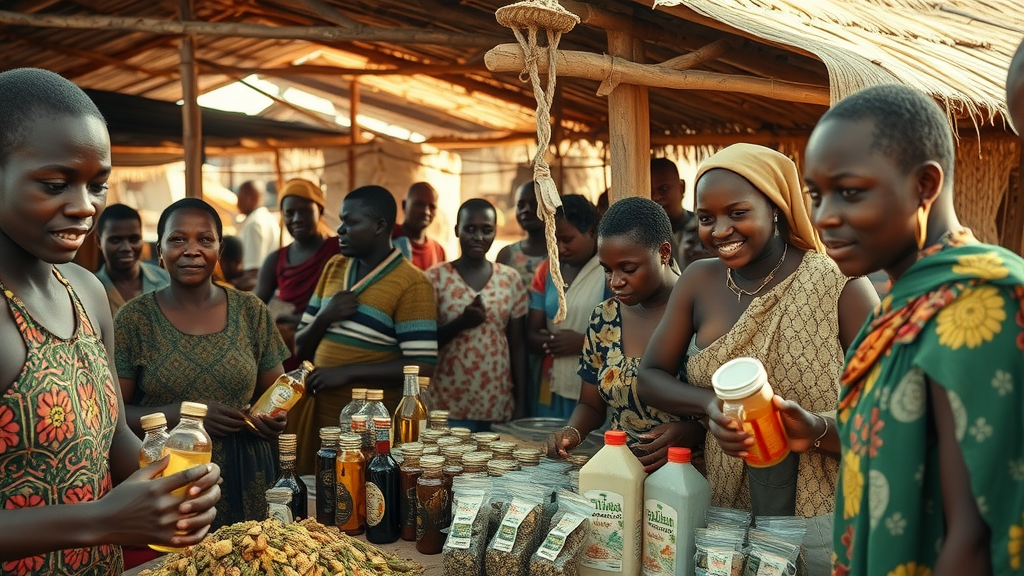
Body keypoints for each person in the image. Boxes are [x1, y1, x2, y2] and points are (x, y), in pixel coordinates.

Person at [779, 83, 1024, 575]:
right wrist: (816, 429)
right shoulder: (898, 305)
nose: (825, 217)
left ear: (925, 186)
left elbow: (973, 533)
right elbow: (900, 437)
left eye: (850, 192)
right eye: (816, 196)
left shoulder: (981, 303)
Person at [0, 67, 219, 574]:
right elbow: (100, 516)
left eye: (97, 185)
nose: (83, 207)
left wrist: (169, 478)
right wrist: (99, 519)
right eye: (55, 184)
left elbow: (112, 433)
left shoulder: (85, 290)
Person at [637, 143, 878, 574]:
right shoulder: (699, 280)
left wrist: (817, 429)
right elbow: (650, 376)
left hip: (821, 517)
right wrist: (709, 407)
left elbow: (891, 417)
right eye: (707, 218)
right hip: (725, 516)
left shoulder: (841, 284)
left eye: (738, 212)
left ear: (777, 208)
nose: (720, 230)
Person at [115, 198, 289, 530]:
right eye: (178, 239)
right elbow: (115, 415)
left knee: (255, 557)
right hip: (175, 476)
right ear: (160, 250)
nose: (192, 249)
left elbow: (279, 395)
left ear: (219, 249)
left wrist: (274, 420)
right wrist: (186, 414)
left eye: (204, 240)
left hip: (249, 471)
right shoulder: (133, 320)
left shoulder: (251, 312)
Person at [546, 197, 704, 472]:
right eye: (607, 270)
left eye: (628, 269)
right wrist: (572, 432)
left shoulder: (701, 313)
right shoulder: (603, 319)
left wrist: (693, 431)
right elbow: (591, 405)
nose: (615, 282)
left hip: (689, 474)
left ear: (664, 253)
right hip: (621, 472)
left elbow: (729, 407)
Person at [290, 185, 438, 474]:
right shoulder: (334, 267)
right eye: (341, 221)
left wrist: (347, 372)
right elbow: (300, 346)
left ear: (380, 226)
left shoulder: (411, 283)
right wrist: (324, 316)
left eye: (351, 222)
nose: (340, 230)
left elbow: (422, 366)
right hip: (320, 414)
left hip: (368, 425)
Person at [427, 199, 528, 432]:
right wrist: (461, 323)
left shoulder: (509, 279)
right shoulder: (435, 278)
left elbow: (518, 345)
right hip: (448, 405)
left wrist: (521, 403)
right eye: (470, 229)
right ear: (457, 230)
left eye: (486, 230)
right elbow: (425, 342)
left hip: (496, 402)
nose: (478, 237)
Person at [527, 194, 608, 420]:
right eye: (554, 240)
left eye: (568, 239)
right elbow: (532, 333)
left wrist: (583, 343)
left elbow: (627, 333)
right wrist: (554, 342)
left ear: (591, 231)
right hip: (550, 381)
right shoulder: (547, 270)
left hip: (592, 384)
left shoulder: (608, 271)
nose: (560, 248)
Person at [254, 178, 341, 370]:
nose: (296, 219)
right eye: (290, 213)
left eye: (304, 211)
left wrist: (301, 318)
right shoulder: (275, 259)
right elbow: (254, 307)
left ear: (320, 211)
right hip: (287, 349)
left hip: (327, 343)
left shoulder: (338, 250)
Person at [497, 181, 549, 417]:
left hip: (548, 345)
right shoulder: (508, 254)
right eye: (521, 205)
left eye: (534, 204)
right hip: (514, 343)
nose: (526, 210)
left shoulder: (561, 252)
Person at [94, 203, 169, 317]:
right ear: (99, 242)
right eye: (116, 240)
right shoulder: (89, 290)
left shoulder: (166, 281)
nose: (126, 248)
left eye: (134, 239)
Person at [235, 180, 281, 290]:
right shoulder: (267, 219)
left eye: (240, 199)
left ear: (250, 197)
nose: (237, 204)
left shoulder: (254, 224)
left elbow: (253, 272)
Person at [650, 157, 694, 269]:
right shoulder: (644, 237)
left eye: (664, 189)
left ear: (681, 188)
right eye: (650, 191)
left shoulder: (702, 231)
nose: (656, 197)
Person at [392, 181, 446, 270]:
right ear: (404, 205)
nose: (426, 212)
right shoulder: (388, 236)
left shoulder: (438, 251)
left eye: (432, 207)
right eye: (419, 204)